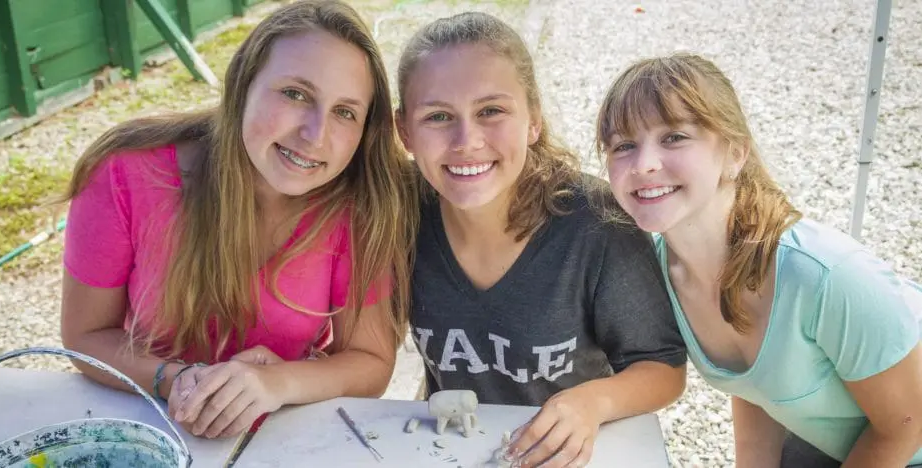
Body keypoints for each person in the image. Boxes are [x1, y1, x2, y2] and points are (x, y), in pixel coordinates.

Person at [59, 0, 415, 440]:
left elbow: (371, 362)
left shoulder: (359, 203)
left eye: (345, 112)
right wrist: (177, 379)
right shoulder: (125, 171)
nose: (315, 134)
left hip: (283, 434)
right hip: (145, 424)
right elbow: (85, 335)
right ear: (242, 82)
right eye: (295, 93)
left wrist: (278, 383)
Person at [596, 52, 922, 467]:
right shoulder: (657, 270)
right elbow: (758, 388)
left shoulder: (824, 276)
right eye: (623, 145)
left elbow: (905, 425)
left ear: (735, 153)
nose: (643, 165)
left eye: (674, 137)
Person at [396, 12, 687, 468]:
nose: (466, 139)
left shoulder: (598, 224)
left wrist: (593, 403)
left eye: (491, 110)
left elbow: (663, 368)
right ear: (404, 133)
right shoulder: (400, 216)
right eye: (437, 116)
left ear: (533, 120)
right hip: (454, 448)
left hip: (570, 454)